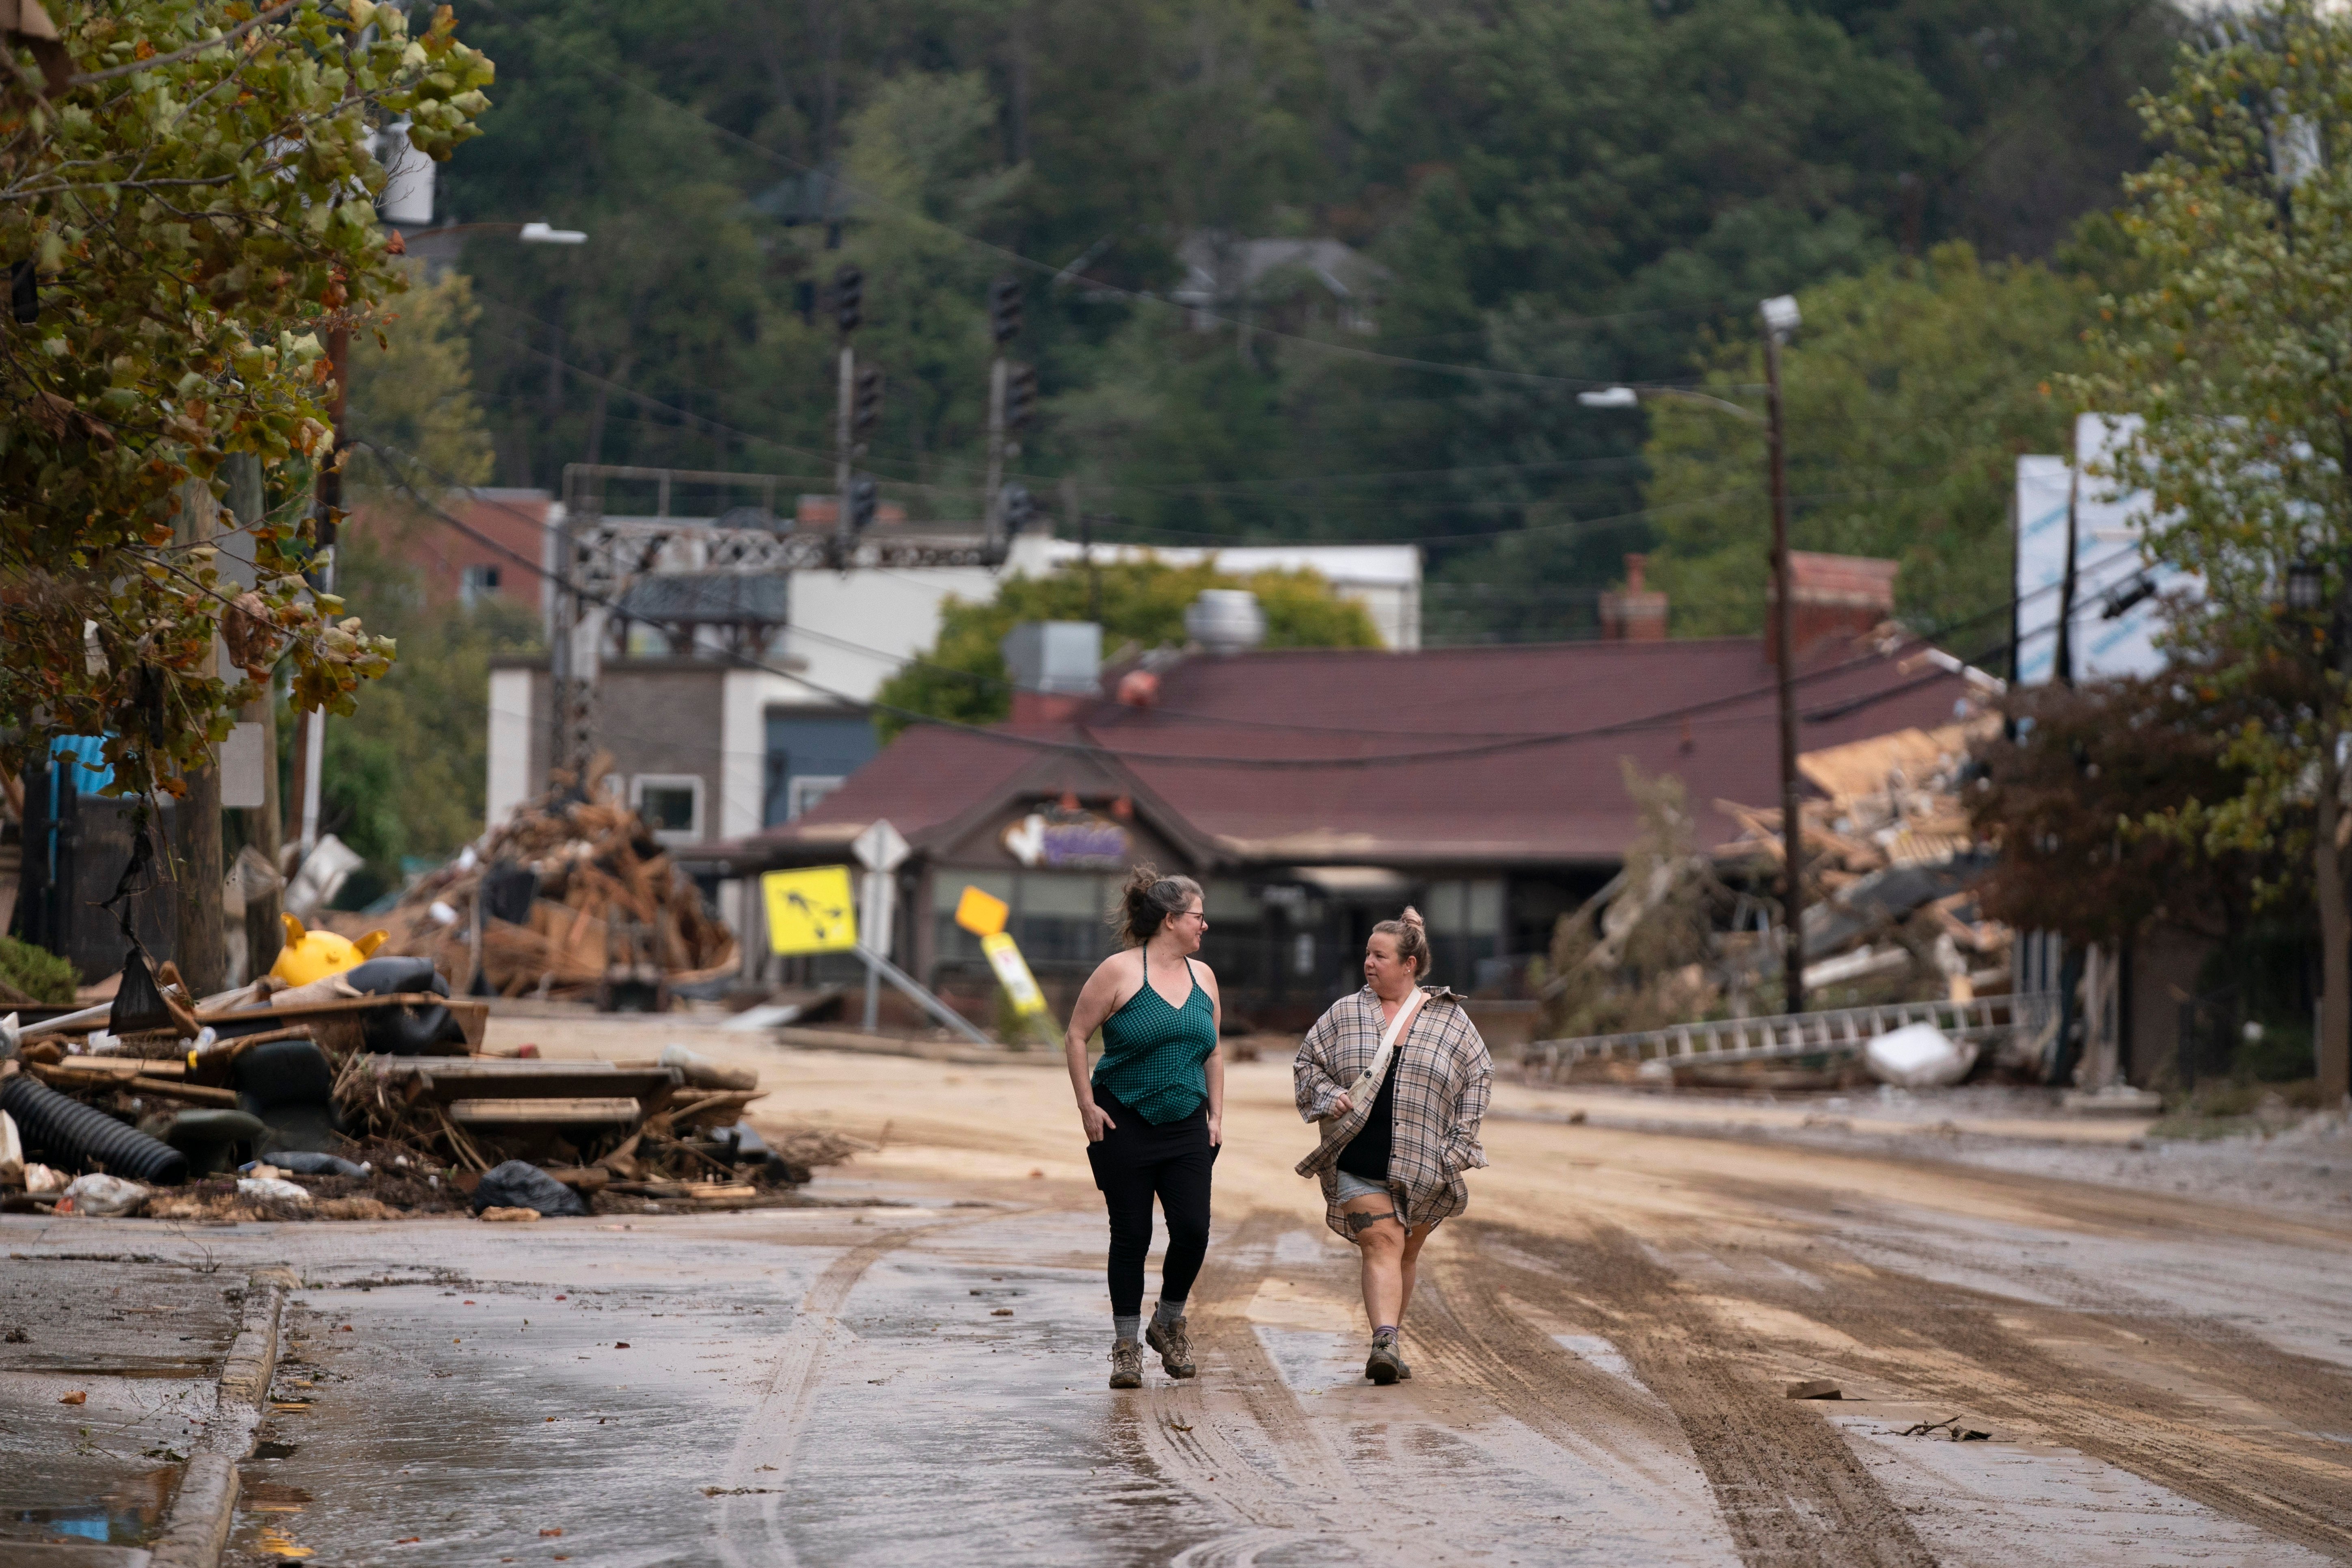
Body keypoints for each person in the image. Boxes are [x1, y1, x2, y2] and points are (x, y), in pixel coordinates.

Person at [1293, 907, 1491, 1386]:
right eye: (1367, 954)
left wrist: (1459, 1147)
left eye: (1380, 955)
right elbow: (1306, 1065)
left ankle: (1392, 1341)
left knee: (1405, 1253)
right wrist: (1327, 1096)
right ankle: (1384, 1340)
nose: (1369, 963)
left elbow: (1480, 1076)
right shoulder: (1344, 1013)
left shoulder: (1450, 1020)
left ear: (1409, 964)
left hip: (1427, 1166)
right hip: (1358, 1161)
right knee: (1382, 1244)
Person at [1063, 865, 1224, 1390]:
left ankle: (1167, 1321)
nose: (1205, 926)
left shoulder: (1204, 978)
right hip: (1123, 1119)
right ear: (1172, 920)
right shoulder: (1119, 970)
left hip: (1186, 1125)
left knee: (1194, 1230)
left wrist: (1216, 1115)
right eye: (1199, 917)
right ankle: (1126, 1346)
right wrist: (1087, 1105)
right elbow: (1076, 1036)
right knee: (1131, 1234)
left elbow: (1214, 1053)